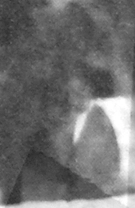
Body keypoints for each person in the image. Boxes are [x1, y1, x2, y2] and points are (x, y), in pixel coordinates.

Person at [48, 70, 120, 200]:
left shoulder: (101, 119)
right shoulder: (65, 121)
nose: (77, 94)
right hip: (72, 197)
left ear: (90, 89)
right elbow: (60, 162)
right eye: (71, 91)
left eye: (81, 88)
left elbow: (110, 167)